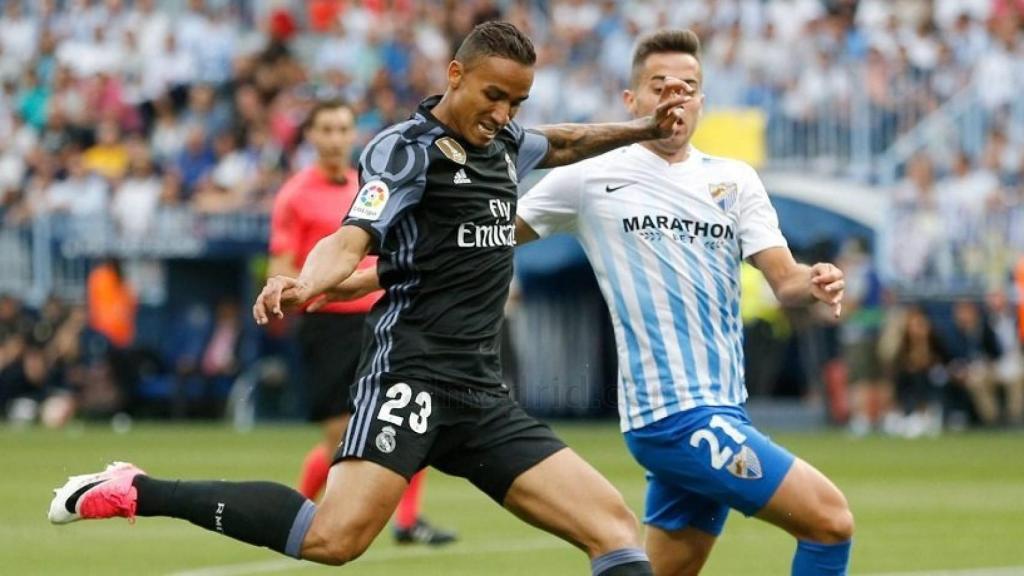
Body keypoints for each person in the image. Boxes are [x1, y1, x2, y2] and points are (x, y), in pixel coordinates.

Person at [49, 21, 689, 575]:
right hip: (410, 374)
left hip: (480, 391)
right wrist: (307, 281)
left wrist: (641, 128)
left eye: (517, 102)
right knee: (333, 540)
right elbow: (353, 236)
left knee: (613, 528)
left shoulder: (507, 146)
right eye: (493, 95)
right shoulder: (404, 150)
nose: (503, 114)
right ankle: (137, 488)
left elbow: (569, 141)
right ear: (456, 74)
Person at [514, 30, 855, 575]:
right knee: (830, 522)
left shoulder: (733, 180)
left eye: (688, 86)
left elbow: (784, 279)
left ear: (701, 101)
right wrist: (376, 272)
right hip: (670, 416)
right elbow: (492, 234)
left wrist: (813, 282)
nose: (675, 96)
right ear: (633, 101)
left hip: (724, 405)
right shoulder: (589, 178)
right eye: (660, 85)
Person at [268, 98, 454, 544]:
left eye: (342, 129)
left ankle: (407, 521)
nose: (335, 139)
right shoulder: (295, 194)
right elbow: (283, 261)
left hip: (380, 316)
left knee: (410, 414)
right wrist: (293, 292)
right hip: (326, 324)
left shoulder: (369, 187)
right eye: (326, 129)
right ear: (311, 137)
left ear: (354, 135)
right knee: (342, 436)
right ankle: (299, 511)